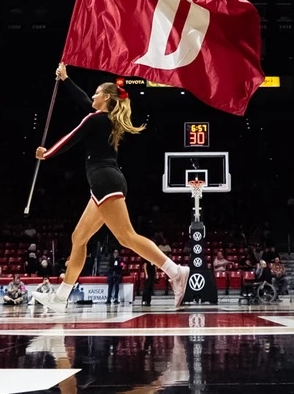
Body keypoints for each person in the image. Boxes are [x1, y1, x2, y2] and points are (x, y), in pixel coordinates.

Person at [31, 63, 189, 314]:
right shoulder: (104, 118)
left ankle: (175, 271)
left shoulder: (96, 119)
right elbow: (85, 102)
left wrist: (46, 154)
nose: (92, 95)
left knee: (126, 236)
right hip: (102, 184)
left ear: (105, 97)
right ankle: (60, 298)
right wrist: (66, 79)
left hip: (106, 182)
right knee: (78, 238)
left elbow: (71, 138)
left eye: (96, 92)